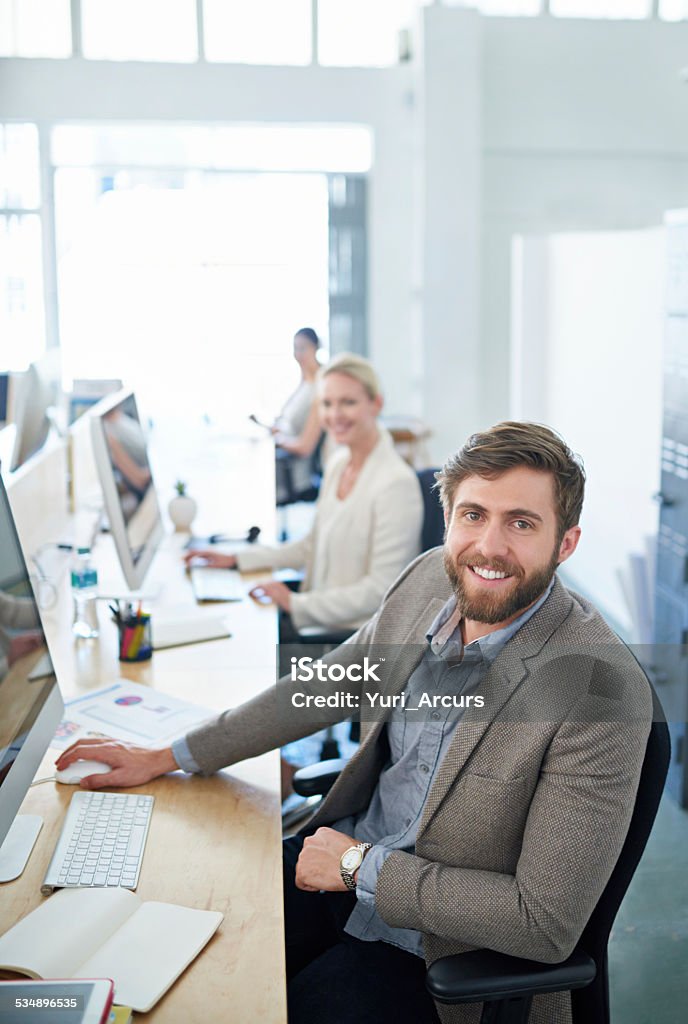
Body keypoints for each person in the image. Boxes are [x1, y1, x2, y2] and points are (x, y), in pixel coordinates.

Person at [56, 422, 653, 1024]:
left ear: (566, 543)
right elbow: (327, 683)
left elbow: (543, 923)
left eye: (521, 523)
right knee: (172, 967)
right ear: (448, 518)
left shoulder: (596, 692)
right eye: (473, 515)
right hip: (337, 871)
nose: (489, 546)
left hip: (438, 953)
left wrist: (358, 867)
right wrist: (170, 754)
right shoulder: (428, 581)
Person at [186, 353, 424, 635]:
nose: (334, 415)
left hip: (355, 641)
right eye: (327, 403)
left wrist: (295, 603)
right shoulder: (338, 463)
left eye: (348, 402)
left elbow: (381, 589)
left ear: (376, 404)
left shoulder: (395, 484)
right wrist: (238, 558)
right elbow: (311, 545)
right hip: (319, 621)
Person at [266, 327, 325, 503]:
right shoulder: (304, 382)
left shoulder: (321, 386)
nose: (298, 354)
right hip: (286, 454)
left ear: (315, 348)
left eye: (303, 348)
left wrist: (279, 440)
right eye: (295, 348)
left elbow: (305, 446)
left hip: (297, 471)